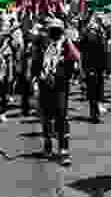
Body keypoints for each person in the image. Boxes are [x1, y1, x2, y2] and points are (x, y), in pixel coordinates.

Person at [37, 17, 81, 166]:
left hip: (61, 86)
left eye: (57, 30)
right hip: (45, 85)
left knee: (62, 116)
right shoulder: (42, 44)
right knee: (47, 117)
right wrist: (35, 79)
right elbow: (36, 62)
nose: (55, 33)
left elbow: (78, 57)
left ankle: (64, 150)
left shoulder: (66, 45)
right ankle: (48, 143)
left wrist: (67, 39)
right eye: (52, 30)